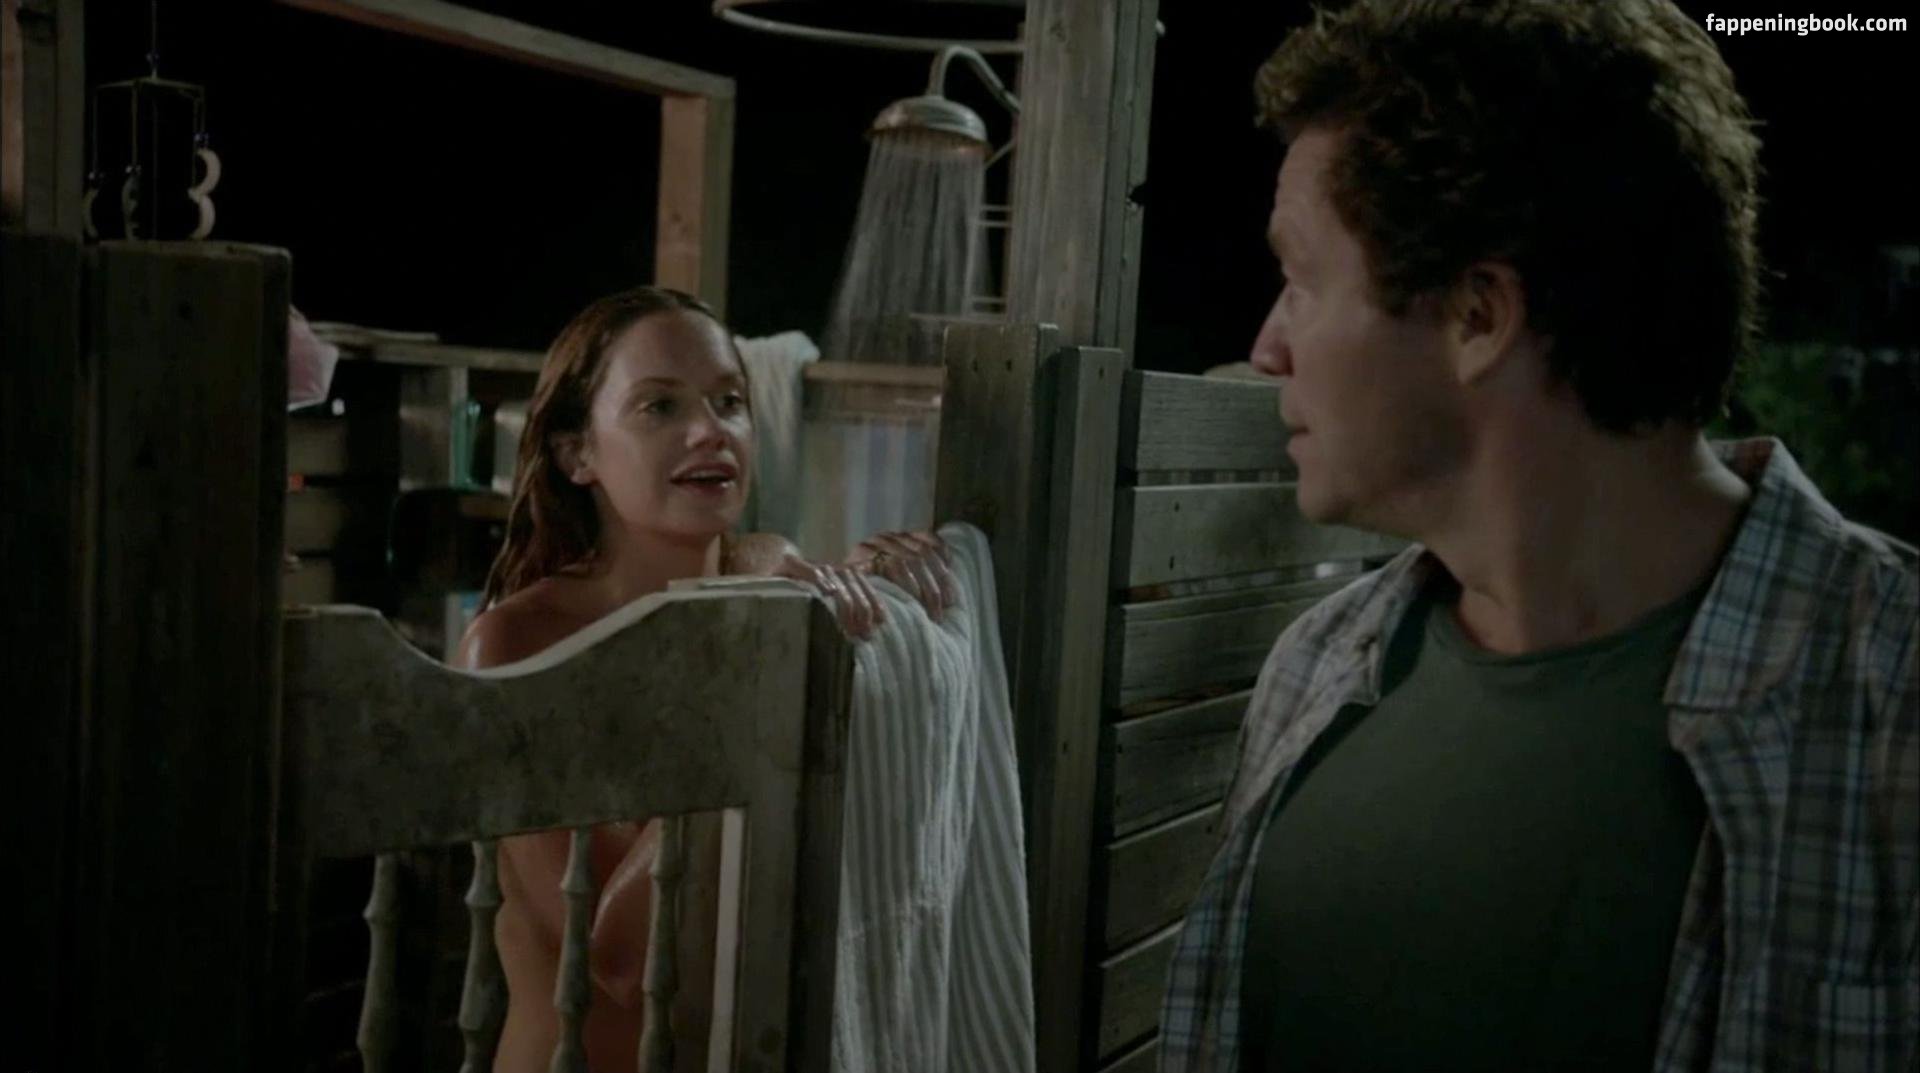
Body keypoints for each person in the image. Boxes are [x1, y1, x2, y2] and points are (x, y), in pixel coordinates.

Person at [1159, 3, 1919, 1071]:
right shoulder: (1313, 678)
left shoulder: (1891, 698)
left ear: (1478, 315)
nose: (1268, 345)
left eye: (1304, 279)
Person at [456, 285, 954, 1071]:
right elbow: (622, 959)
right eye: (659, 406)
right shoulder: (516, 642)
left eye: (730, 402)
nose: (710, 431)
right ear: (577, 453)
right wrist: (748, 654)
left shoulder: (773, 590)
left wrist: (881, 583)